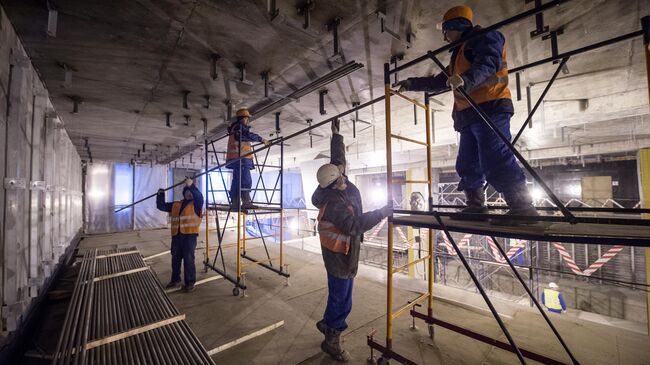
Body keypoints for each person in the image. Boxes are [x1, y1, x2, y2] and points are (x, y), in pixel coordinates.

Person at [396, 5, 537, 224]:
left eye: (445, 30)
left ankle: (523, 208)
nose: (444, 36)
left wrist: (466, 80)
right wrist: (411, 84)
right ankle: (476, 206)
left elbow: (488, 63)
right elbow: (440, 81)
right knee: (467, 163)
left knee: (496, 158)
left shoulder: (485, 37)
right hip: (469, 114)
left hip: (490, 108)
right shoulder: (459, 53)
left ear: (456, 25)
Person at [311, 119, 392, 362]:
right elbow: (354, 225)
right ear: (331, 187)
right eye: (340, 181)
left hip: (345, 253)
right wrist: (381, 212)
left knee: (339, 297)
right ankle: (331, 340)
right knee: (342, 301)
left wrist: (337, 135)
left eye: (342, 176)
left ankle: (327, 324)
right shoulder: (333, 203)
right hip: (340, 257)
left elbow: (339, 159)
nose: (344, 180)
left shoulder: (336, 179)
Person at [156, 178, 204, 292]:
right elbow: (161, 206)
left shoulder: (197, 205)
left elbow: (199, 196)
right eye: (187, 191)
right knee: (175, 259)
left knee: (188, 259)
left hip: (189, 236)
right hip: (176, 236)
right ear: (184, 193)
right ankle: (175, 280)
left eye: (190, 191)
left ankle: (190, 282)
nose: (189, 193)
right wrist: (160, 194)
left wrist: (192, 185)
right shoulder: (176, 204)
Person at [226, 108, 269, 210]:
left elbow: (243, 137)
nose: (248, 121)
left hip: (237, 160)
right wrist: (261, 139)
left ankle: (235, 203)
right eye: (247, 118)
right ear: (243, 119)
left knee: (237, 181)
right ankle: (245, 202)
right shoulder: (239, 127)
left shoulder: (235, 128)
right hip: (241, 159)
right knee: (246, 180)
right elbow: (247, 135)